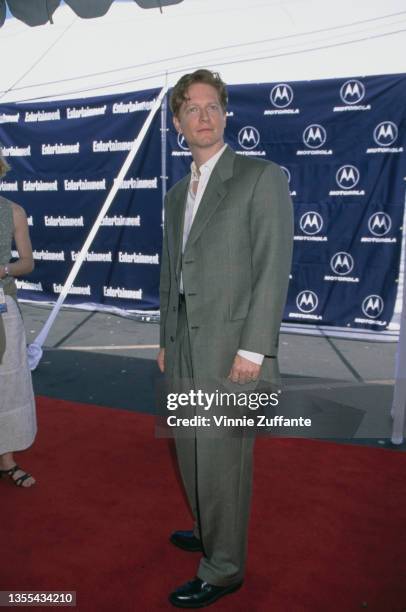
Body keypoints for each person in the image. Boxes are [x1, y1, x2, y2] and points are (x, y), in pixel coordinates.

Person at [157, 69, 293, 608]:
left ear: (225, 113)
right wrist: (168, 337)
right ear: (178, 123)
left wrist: (253, 350)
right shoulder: (174, 194)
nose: (204, 116)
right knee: (192, 449)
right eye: (192, 108)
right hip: (185, 340)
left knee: (222, 461)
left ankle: (224, 566)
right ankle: (209, 526)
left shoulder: (260, 178)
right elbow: (173, 271)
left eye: (212, 106)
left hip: (234, 345)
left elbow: (272, 266)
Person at [0, 149, 37, 487]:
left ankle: (7, 459)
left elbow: (27, 262)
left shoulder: (13, 212)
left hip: (4, 304)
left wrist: (5, 269)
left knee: (9, 384)